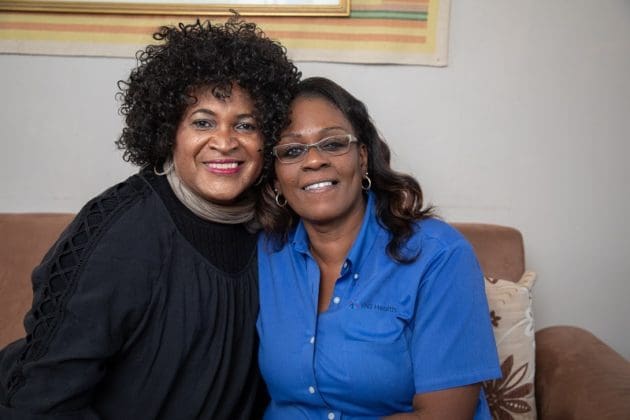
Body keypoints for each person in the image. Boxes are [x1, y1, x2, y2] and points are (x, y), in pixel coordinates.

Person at [0, 18, 300, 419]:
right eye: (203, 122)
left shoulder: (275, 225)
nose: (225, 142)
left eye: (246, 125)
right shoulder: (121, 233)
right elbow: (41, 400)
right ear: (168, 132)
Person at [256, 77, 501, 419]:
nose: (314, 161)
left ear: (363, 157)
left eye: (332, 143)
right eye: (292, 150)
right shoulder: (267, 254)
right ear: (275, 176)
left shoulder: (439, 256)